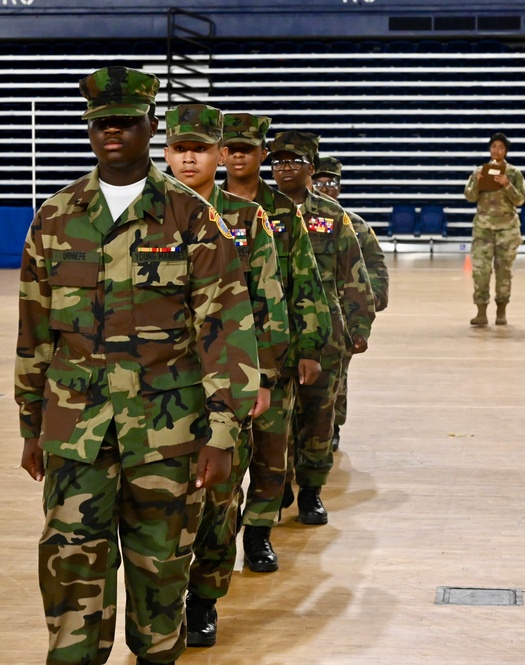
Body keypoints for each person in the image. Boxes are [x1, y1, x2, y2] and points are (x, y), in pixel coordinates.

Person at [15, 66, 259, 665]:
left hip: (168, 432)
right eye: (101, 123)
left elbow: (226, 326)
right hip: (76, 431)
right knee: (71, 563)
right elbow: (34, 331)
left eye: (126, 121)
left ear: (151, 126)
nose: (113, 133)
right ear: (89, 130)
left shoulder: (191, 215)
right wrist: (29, 427)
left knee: (161, 571)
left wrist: (224, 433)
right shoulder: (56, 216)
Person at [162, 103, 289, 647]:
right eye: (179, 148)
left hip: (223, 382)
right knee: (163, 502)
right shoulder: (149, 212)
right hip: (159, 388)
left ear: (218, 154)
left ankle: (204, 600)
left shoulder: (245, 218)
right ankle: (160, 604)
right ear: (165, 153)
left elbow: (268, 301)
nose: (189, 157)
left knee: (217, 499)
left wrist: (262, 378)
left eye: (200, 148)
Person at [221, 113, 332, 571]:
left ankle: (259, 536)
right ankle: (217, 541)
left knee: (270, 455)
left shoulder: (282, 211)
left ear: (261, 155)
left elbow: (306, 281)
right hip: (218, 354)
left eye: (249, 148)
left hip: (273, 352)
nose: (239, 156)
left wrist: (309, 346)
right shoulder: (192, 206)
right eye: (232, 148)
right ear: (222, 153)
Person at [269, 130, 375, 525]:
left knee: (317, 418)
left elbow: (354, 274)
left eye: (294, 161)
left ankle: (311, 492)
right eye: (278, 161)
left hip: (326, 330)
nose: (285, 168)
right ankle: (276, 486)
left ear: (311, 169)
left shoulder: (333, 217)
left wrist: (358, 325)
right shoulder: (260, 211)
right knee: (274, 420)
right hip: (274, 331)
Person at [312, 154, 389, 451]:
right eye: (319, 182)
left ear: (339, 188)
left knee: (336, 379)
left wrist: (367, 304)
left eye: (330, 183)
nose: (324, 188)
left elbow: (376, 268)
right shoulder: (290, 220)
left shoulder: (355, 226)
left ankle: (332, 426)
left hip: (340, 319)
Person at [463, 132, 525, 326]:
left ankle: (501, 311)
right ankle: (481, 311)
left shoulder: (514, 173)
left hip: (507, 230)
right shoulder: (479, 171)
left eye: (500, 147)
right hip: (483, 229)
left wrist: (507, 185)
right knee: (481, 271)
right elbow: (469, 196)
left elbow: (520, 199)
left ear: (506, 150)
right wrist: (478, 182)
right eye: (493, 147)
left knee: (503, 272)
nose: (496, 150)